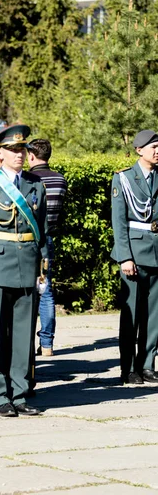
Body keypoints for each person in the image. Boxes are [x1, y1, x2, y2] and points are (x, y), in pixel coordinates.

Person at [0, 125, 48, 417]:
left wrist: (42, 271)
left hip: (27, 265)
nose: (21, 155)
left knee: (23, 334)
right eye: (14, 151)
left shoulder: (34, 185)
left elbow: (41, 232)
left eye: (23, 150)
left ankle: (20, 393)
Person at [111, 129, 158, 385]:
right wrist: (125, 257)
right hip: (135, 254)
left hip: (157, 253)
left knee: (154, 314)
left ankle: (147, 363)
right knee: (132, 313)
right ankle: (128, 368)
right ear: (139, 150)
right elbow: (119, 222)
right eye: (153, 147)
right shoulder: (124, 179)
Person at [27, 139, 67, 356]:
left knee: (28, 292)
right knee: (47, 290)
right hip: (49, 238)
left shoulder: (28, 179)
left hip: (28, 240)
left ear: (31, 156)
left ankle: (26, 341)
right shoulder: (60, 179)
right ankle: (48, 343)